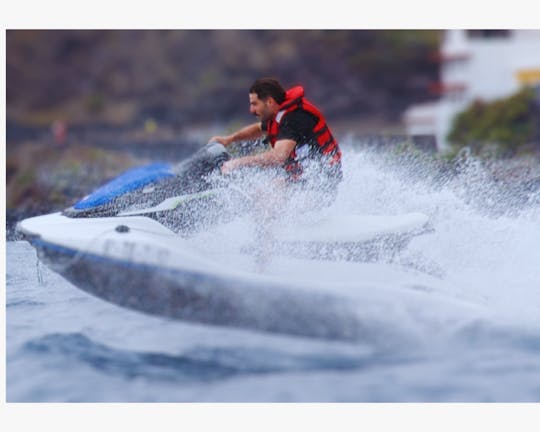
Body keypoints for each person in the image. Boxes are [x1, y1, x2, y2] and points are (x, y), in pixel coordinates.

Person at [209, 78, 343, 210]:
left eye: (255, 104)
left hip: (323, 182)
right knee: (262, 193)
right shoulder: (276, 114)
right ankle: (266, 231)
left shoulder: (293, 119)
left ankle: (284, 231)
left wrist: (237, 163)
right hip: (304, 177)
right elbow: (258, 129)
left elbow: (278, 157)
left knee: (271, 199)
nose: (251, 110)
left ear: (269, 102)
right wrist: (229, 139)